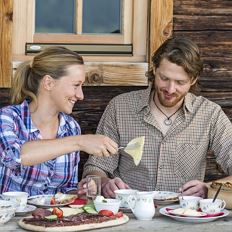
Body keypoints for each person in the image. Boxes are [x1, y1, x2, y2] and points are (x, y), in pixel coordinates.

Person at [79, 37, 232, 198]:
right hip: (128, 215)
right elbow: (95, 168)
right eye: (164, 78)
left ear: (193, 80)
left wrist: (208, 188)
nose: (170, 89)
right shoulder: (120, 107)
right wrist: (103, 184)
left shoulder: (210, 114)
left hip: (185, 216)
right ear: (154, 70)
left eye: (180, 82)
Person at [0, 46, 118, 196]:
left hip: (53, 218)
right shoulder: (8, 118)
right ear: (48, 83)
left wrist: (80, 190)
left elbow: (66, 189)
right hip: (10, 218)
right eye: (76, 85)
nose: (81, 95)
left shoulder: (71, 127)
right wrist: (79, 142)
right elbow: (14, 157)